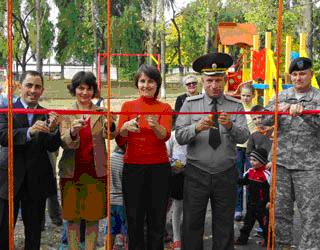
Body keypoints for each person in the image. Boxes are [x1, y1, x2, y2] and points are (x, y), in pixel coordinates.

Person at [175, 53, 250, 250]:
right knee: (192, 224)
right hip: (196, 173)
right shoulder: (190, 105)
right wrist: (196, 128)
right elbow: (179, 136)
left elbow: (244, 137)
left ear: (225, 80)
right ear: (202, 81)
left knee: (224, 226)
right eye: (209, 80)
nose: (214, 85)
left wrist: (231, 127)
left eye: (218, 80)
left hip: (225, 173)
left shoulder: (235, 106)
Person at [263, 57, 320, 249]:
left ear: (311, 75)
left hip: (309, 167)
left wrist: (306, 113)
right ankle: (283, 246)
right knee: (280, 213)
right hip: (281, 165)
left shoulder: (318, 98)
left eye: (302, 74)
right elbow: (263, 119)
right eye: (294, 74)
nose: (298, 78)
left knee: (312, 215)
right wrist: (276, 111)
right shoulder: (282, 95)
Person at [0, 70, 61, 249]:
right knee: (4, 230)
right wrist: (29, 132)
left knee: (34, 232)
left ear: (42, 90)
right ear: (20, 87)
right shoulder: (6, 110)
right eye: (29, 85)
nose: (33, 90)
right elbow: (3, 136)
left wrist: (54, 129)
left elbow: (52, 146)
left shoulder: (46, 113)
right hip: (9, 179)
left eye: (37, 87)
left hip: (36, 181)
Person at [58, 71, 117, 250]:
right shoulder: (66, 113)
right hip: (71, 172)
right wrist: (73, 132)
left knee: (93, 217)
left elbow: (111, 135)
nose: (85, 93)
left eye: (89, 89)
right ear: (74, 89)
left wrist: (111, 124)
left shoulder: (101, 112)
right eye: (80, 88)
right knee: (72, 218)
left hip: (96, 172)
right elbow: (63, 141)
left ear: (94, 90)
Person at [116, 64, 172, 249]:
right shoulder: (128, 106)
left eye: (150, 81)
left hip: (159, 168)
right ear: (137, 83)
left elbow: (165, 136)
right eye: (142, 81)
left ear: (157, 84)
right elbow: (119, 141)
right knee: (134, 217)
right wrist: (124, 129)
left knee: (157, 217)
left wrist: (155, 125)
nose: (146, 85)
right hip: (133, 168)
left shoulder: (164, 107)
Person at [234, 148, 270, 246]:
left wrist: (269, 202)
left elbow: (270, 190)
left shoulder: (266, 174)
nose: (251, 162)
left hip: (262, 206)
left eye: (254, 160)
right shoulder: (249, 172)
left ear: (262, 161)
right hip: (251, 204)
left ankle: (269, 241)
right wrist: (234, 179)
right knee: (247, 224)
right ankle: (242, 239)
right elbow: (243, 181)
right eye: (250, 160)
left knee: (265, 225)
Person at [235, 83, 256, 221]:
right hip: (237, 147)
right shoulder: (236, 108)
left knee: (250, 179)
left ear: (253, 96)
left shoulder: (256, 109)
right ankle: (238, 209)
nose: (245, 98)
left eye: (248, 96)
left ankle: (250, 209)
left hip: (250, 149)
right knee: (237, 179)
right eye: (243, 95)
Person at [166, 129, 187, 250]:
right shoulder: (173, 135)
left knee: (193, 207)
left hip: (195, 174)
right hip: (177, 175)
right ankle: (177, 239)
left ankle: (188, 235)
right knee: (178, 207)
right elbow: (167, 155)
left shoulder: (196, 132)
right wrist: (178, 165)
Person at [104, 145, 127, 249]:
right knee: (127, 232)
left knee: (110, 231)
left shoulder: (109, 158)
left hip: (110, 200)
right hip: (123, 202)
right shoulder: (126, 161)